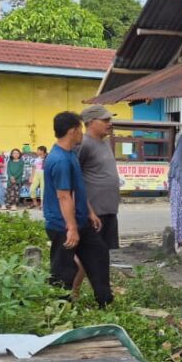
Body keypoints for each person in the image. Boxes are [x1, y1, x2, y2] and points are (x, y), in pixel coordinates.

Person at [43, 111, 113, 307]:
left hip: (81, 220)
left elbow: (77, 188)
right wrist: (71, 228)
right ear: (73, 131)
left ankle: (105, 301)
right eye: (80, 129)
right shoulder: (59, 160)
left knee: (98, 254)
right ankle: (59, 307)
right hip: (62, 225)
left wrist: (89, 212)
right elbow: (64, 196)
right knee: (63, 269)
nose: (82, 133)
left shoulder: (70, 153)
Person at [76, 105, 122, 277]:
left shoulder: (104, 142)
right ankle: (73, 293)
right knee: (87, 255)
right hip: (94, 212)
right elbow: (75, 178)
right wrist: (88, 210)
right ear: (90, 122)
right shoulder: (83, 144)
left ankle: (99, 290)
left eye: (110, 119)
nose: (110, 123)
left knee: (101, 254)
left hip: (108, 209)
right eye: (105, 120)